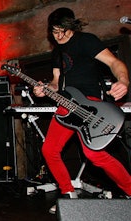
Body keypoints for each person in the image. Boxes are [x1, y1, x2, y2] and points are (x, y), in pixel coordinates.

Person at [33, 7, 131, 214]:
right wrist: (44, 89)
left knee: (94, 154)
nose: (59, 36)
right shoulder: (57, 52)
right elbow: (56, 83)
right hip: (66, 105)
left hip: (90, 103)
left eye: (63, 31)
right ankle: (68, 193)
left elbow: (114, 63)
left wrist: (123, 80)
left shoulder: (87, 40)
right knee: (49, 149)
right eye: (54, 32)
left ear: (72, 27)